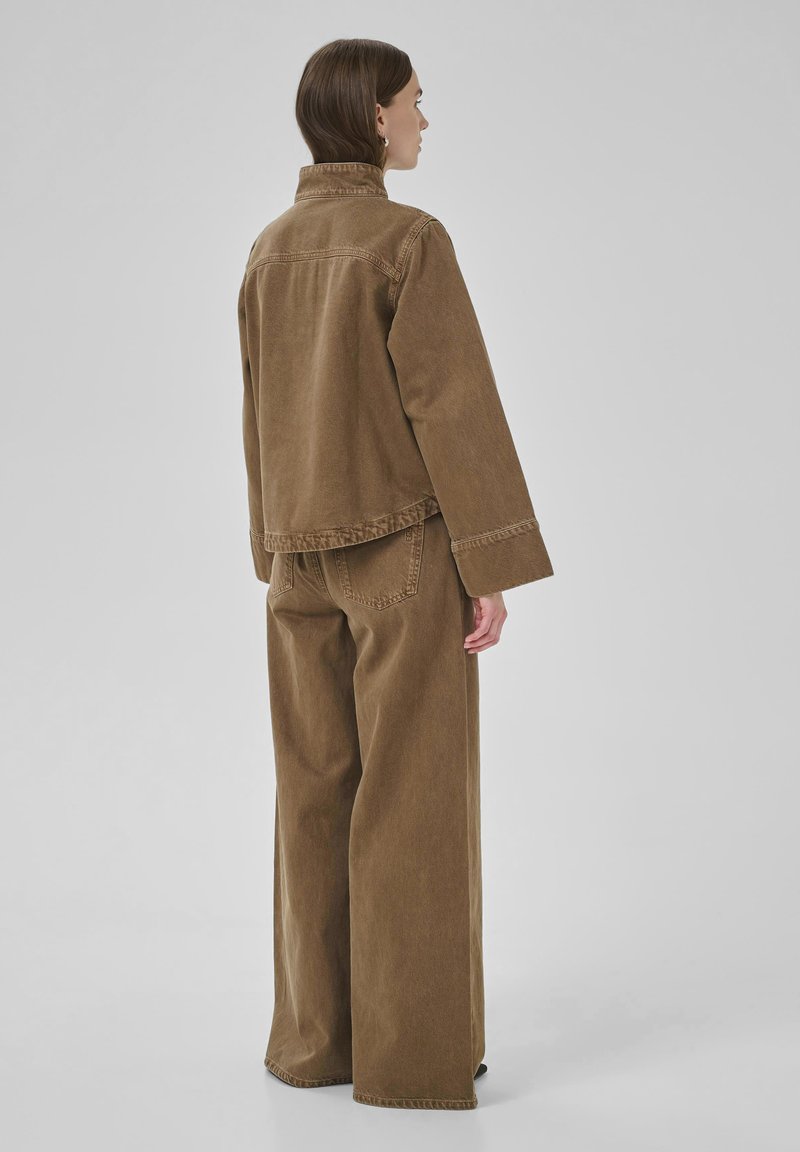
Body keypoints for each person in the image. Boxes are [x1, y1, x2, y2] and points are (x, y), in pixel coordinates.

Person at [237, 38, 554, 1111]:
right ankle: (411, 1061)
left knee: (312, 794)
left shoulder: (269, 249)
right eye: (415, 102)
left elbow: (258, 407)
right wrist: (489, 561)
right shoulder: (407, 239)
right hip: (402, 552)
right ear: (375, 116)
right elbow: (450, 405)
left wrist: (269, 549)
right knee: (412, 802)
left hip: (297, 559)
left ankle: (314, 1044)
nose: (424, 119)